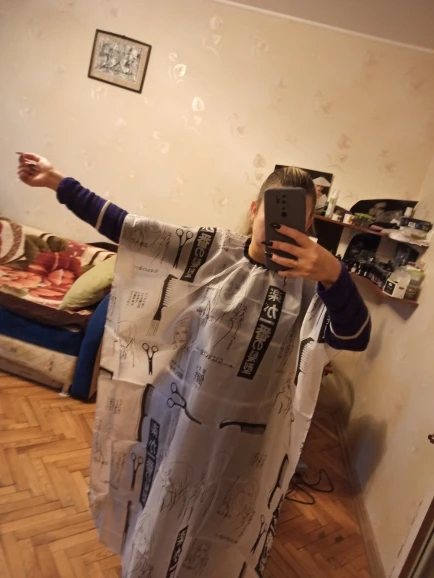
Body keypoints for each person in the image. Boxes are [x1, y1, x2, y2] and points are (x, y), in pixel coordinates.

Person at [18, 153, 371, 578]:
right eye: (274, 211)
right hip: (173, 416)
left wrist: (335, 275)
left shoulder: (314, 288)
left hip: (245, 438)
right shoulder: (212, 251)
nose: (282, 226)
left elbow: (355, 335)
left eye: (297, 219)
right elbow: (129, 228)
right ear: (254, 209)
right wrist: (57, 182)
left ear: (309, 224)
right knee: (156, 504)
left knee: (215, 524)